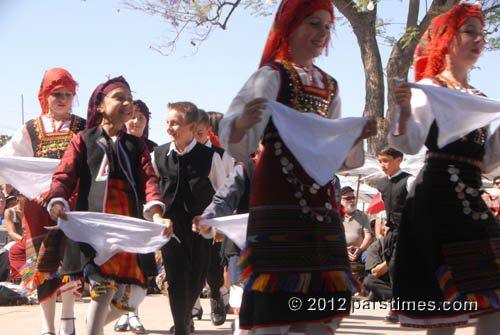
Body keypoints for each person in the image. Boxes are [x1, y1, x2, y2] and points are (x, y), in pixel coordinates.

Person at [218, 0, 376, 332]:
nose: (321, 33)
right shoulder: (270, 76)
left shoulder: (330, 85)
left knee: (320, 296)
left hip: (320, 196)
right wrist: (243, 122)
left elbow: (336, 153)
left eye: (327, 27)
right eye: (313, 23)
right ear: (290, 25)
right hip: (278, 188)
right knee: (275, 290)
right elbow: (236, 138)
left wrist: (354, 136)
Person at [391, 4, 500, 334]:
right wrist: (404, 108)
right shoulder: (430, 88)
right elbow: (407, 145)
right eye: (469, 31)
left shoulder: (479, 98)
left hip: (471, 199)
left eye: (482, 34)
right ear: (448, 38)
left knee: (493, 296)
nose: (478, 40)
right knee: (442, 307)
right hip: (436, 199)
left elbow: (490, 164)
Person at [47, 76, 171, 335]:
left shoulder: (136, 146)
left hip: (126, 224)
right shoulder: (82, 140)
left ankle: (93, 327)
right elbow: (64, 175)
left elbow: (149, 180)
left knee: (127, 294)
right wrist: (57, 201)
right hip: (96, 227)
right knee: (102, 285)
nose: (128, 103)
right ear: (100, 106)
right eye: (119, 97)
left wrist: (157, 215)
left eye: (130, 99)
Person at [0, 68, 86, 335]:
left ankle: (68, 321)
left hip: (72, 205)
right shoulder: (30, 129)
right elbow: (9, 160)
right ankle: (47, 327)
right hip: (38, 207)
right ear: (45, 96)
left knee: (70, 261)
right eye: (56, 94)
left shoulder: (84, 127)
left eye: (68, 94)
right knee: (43, 265)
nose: (62, 99)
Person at [152, 101, 224, 335]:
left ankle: (185, 320)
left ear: (192, 127)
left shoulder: (210, 157)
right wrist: (156, 217)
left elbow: (223, 193)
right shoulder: (159, 155)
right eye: (167, 123)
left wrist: (213, 220)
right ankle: (182, 327)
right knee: (176, 278)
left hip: (200, 229)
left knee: (195, 278)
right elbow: (151, 189)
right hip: (170, 228)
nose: (169, 128)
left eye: (175, 123)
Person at [114, 99, 158, 334]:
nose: (136, 121)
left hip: (145, 213)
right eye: (132, 116)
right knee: (122, 264)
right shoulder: (115, 145)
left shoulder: (154, 149)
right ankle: (123, 314)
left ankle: (134, 313)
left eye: (142, 117)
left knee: (140, 265)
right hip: (120, 210)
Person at [194, 109, 231, 326]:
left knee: (213, 264)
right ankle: (191, 308)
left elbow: (226, 187)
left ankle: (217, 298)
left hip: (213, 217)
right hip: (188, 217)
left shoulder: (221, 154)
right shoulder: (179, 152)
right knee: (190, 265)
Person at [340, 186, 372, 264]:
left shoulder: (362, 216)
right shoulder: (336, 216)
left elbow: (368, 236)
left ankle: (369, 277)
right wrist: (344, 250)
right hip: (340, 251)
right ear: (340, 200)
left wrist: (360, 249)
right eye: (348, 198)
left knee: (370, 259)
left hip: (360, 251)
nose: (353, 200)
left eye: (353, 198)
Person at [362, 237, 392, 302]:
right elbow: (375, 273)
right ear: (384, 231)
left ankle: (383, 295)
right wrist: (391, 259)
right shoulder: (376, 246)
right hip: (386, 283)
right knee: (368, 280)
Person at [6, 194, 26, 284]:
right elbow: (11, 233)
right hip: (15, 242)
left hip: (29, 241)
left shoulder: (30, 211)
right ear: (19, 197)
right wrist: (24, 241)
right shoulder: (10, 211)